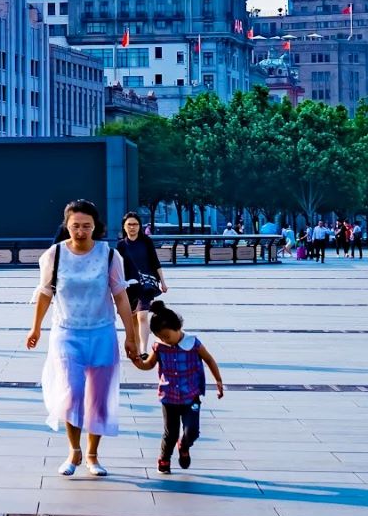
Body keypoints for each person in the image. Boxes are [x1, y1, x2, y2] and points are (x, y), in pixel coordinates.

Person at [27, 198, 141, 477]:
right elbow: (45, 293)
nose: (80, 231)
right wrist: (36, 327)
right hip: (67, 332)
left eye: (86, 226)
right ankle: (73, 450)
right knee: (72, 392)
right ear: (66, 226)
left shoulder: (109, 255)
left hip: (102, 331)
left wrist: (131, 336)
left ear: (95, 227)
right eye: (75, 226)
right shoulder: (54, 255)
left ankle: (92, 455)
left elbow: (121, 297)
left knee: (98, 399)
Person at [126, 302, 224, 474]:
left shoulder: (193, 344)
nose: (165, 340)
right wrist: (137, 362)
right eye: (160, 337)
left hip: (191, 397)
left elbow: (209, 359)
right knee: (170, 433)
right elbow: (149, 365)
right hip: (168, 397)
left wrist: (218, 381)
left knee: (192, 430)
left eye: (166, 335)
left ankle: (184, 445)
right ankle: (164, 458)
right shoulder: (160, 347)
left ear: (177, 327)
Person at [113, 213, 167, 355]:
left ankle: (143, 349)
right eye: (129, 224)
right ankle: (136, 349)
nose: (132, 227)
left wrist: (163, 281)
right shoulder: (121, 245)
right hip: (129, 286)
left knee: (142, 315)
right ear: (124, 227)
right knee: (133, 320)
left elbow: (155, 262)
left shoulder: (146, 242)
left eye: (135, 224)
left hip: (146, 284)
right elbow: (117, 266)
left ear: (140, 226)